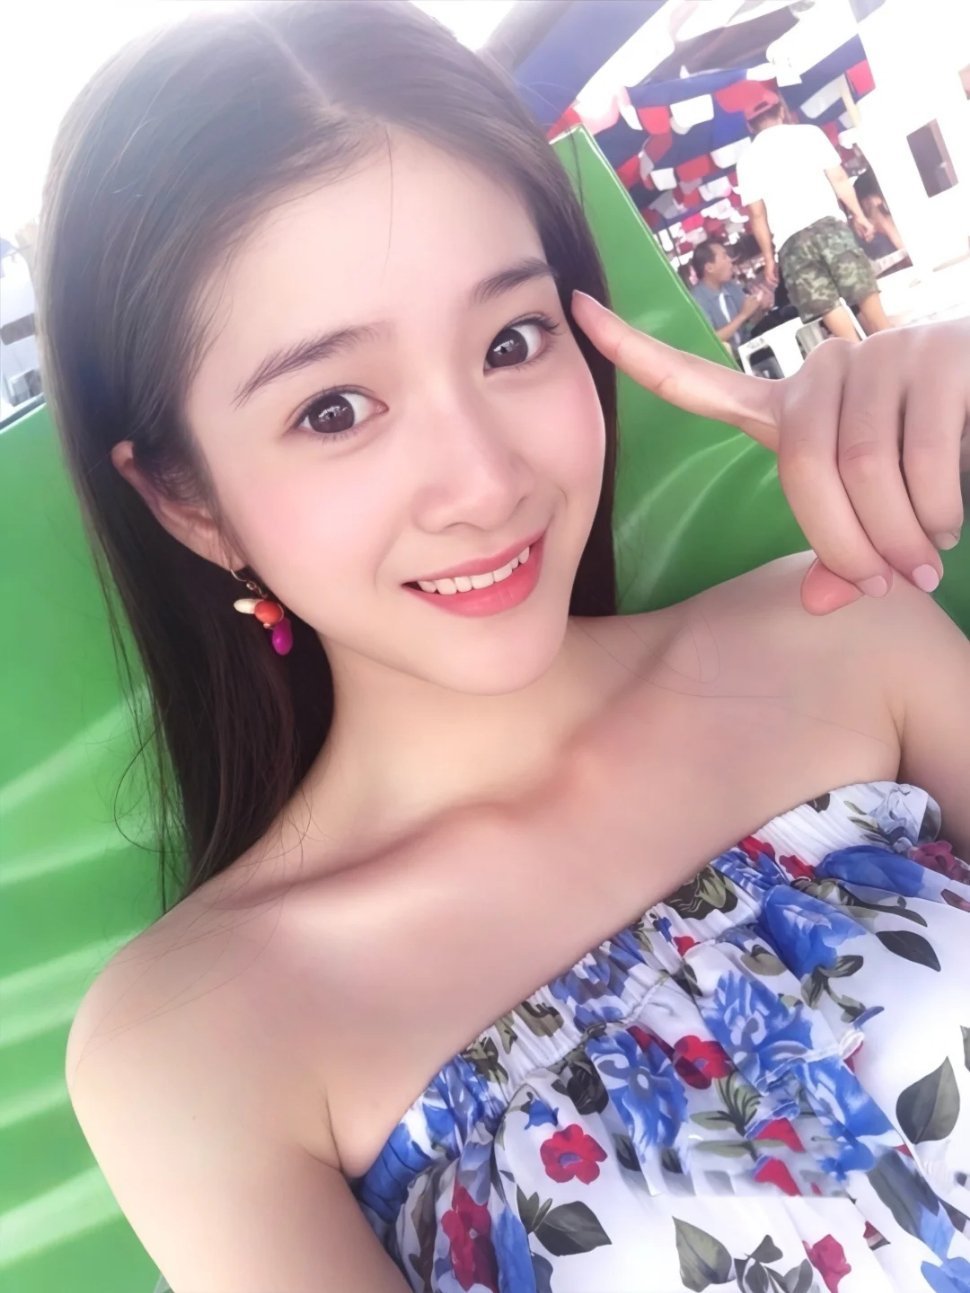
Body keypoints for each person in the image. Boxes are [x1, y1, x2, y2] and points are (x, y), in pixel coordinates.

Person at [43, 5, 969, 1291]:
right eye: (334, 409)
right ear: (189, 500)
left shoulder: (848, 632)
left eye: (511, 341)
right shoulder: (205, 1040)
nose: (483, 482)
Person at [737, 90, 893, 340]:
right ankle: (894, 348)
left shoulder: (746, 161)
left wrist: (768, 258)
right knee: (865, 296)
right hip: (830, 228)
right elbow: (839, 178)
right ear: (781, 111)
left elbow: (757, 216)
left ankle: (857, 350)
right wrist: (860, 216)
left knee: (829, 309)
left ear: (750, 126)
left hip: (792, 245)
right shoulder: (809, 134)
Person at [690, 240, 771, 355]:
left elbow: (748, 326)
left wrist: (760, 308)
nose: (730, 260)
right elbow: (711, 341)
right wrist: (743, 315)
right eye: (724, 256)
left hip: (748, 351)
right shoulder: (697, 300)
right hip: (724, 362)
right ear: (709, 268)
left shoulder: (732, 287)